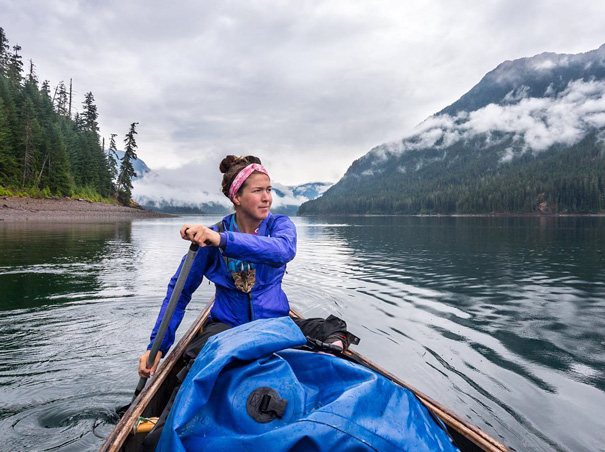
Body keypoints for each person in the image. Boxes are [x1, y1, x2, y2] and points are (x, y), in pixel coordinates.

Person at [138, 155, 357, 451]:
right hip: (227, 328)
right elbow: (180, 291)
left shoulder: (279, 226)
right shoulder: (210, 238)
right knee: (192, 372)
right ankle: (158, 435)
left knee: (332, 332)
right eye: (258, 191)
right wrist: (158, 345)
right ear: (237, 197)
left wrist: (222, 240)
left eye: (270, 190)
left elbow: (282, 251)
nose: (267, 198)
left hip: (276, 324)